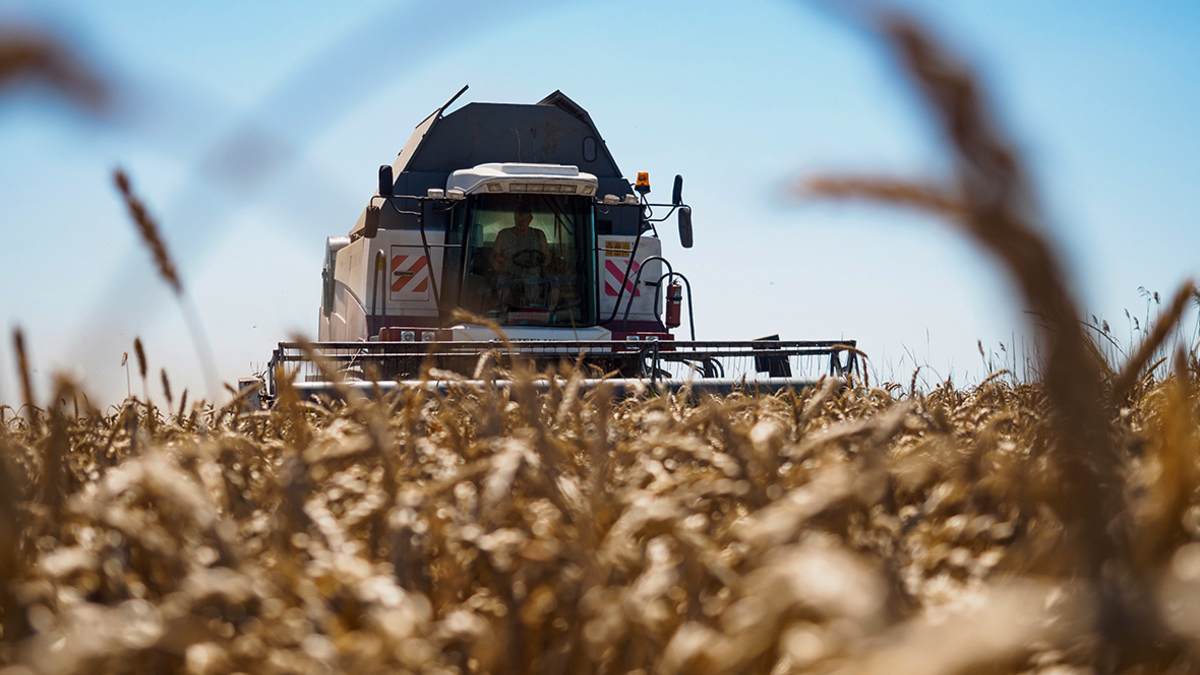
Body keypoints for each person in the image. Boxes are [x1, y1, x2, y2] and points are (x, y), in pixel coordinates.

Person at [491, 204, 557, 308]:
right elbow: (494, 257)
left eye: (523, 220)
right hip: (509, 273)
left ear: (530, 219)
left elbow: (547, 259)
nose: (520, 223)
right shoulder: (503, 235)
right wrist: (498, 262)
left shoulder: (539, 235)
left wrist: (542, 260)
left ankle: (550, 311)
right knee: (503, 285)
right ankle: (504, 310)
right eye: (518, 220)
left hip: (535, 273)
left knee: (553, 282)